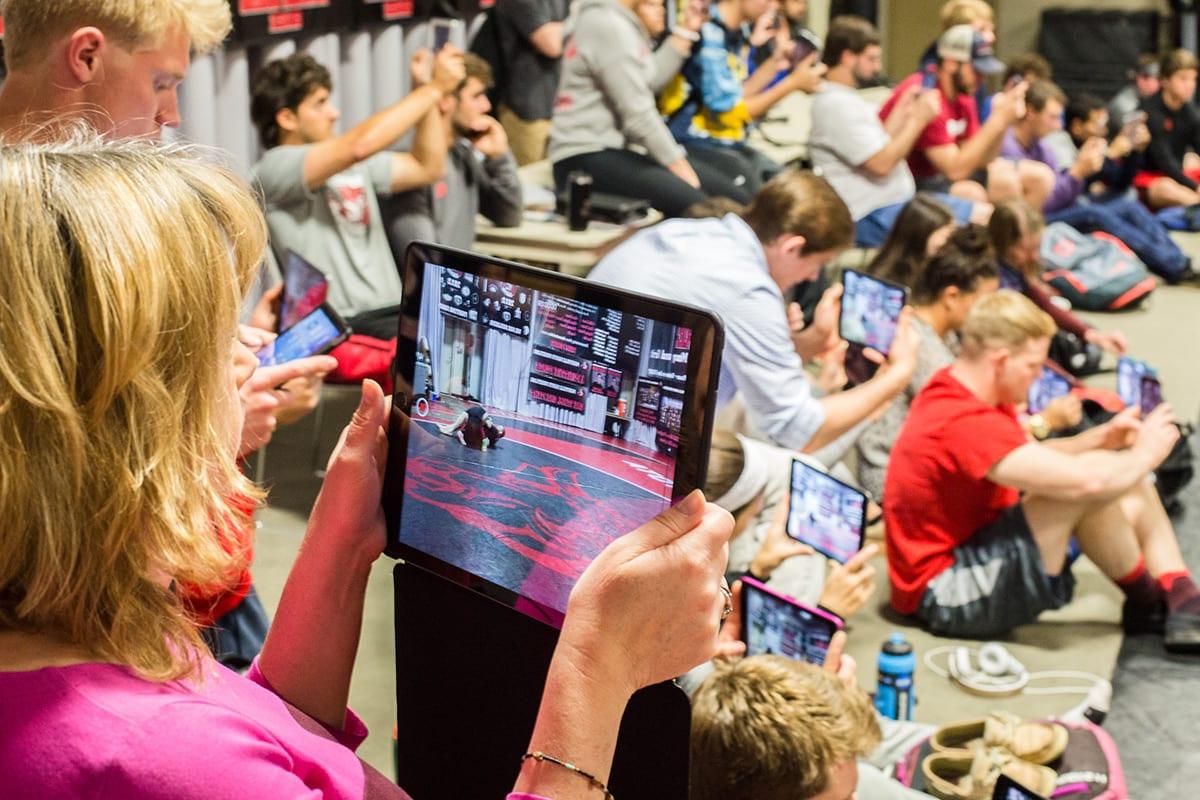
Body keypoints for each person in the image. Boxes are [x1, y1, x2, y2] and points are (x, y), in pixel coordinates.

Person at [0, 133, 737, 798]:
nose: (248, 359)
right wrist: (596, 668)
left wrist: (342, 541)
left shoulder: (76, 623)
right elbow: (219, 761)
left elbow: (270, 730)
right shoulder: (167, 762)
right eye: (214, 345)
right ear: (130, 428)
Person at [0, 0, 338, 669]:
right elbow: (59, 505)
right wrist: (219, 432)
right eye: (162, 83)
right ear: (87, 56)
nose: (172, 115)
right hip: (105, 636)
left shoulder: (90, 223)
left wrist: (209, 366)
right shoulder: (40, 238)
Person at [884, 289, 1200, 652]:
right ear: (1001, 360)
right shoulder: (963, 420)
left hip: (971, 552)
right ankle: (1156, 602)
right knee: (1097, 481)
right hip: (944, 592)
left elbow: (1024, 456)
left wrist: (1099, 439)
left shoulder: (959, 388)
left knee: (1110, 475)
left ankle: (1172, 594)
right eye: (1033, 366)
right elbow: (1085, 481)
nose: (1036, 378)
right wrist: (1145, 456)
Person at [590, 170, 920, 458]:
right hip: (629, 438)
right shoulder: (747, 289)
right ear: (792, 246)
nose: (810, 278)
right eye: (817, 266)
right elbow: (796, 431)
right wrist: (896, 378)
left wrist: (808, 342)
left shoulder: (686, 231)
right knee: (820, 448)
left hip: (599, 398)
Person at [250, 49, 463, 386]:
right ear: (288, 119)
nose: (334, 113)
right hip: (344, 324)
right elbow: (359, 145)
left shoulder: (351, 166)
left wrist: (425, 94)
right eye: (319, 103)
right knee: (441, 363)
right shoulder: (273, 168)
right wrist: (432, 90)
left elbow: (428, 166)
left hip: (392, 315)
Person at [548, 0, 746, 216]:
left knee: (739, 201)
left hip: (617, 151)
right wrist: (679, 167)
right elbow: (638, 116)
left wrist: (687, 31)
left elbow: (649, 80)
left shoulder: (619, 22)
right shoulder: (605, 23)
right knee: (708, 211)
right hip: (584, 155)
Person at [809, 16, 985, 249]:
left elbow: (878, 145)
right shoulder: (834, 105)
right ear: (848, 57)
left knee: (982, 212)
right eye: (871, 59)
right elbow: (881, 164)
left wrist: (903, 112)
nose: (877, 67)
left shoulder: (847, 98)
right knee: (980, 219)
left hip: (893, 204)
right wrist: (918, 121)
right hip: (870, 214)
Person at [857, 225, 999, 501]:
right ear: (952, 296)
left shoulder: (943, 334)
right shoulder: (919, 344)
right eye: (984, 301)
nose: (988, 311)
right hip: (890, 480)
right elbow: (965, 426)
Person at [1001, 80, 1190, 282]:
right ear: (1030, 112)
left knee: (1126, 204)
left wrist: (1134, 152)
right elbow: (1043, 204)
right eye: (1053, 117)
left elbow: (1117, 181)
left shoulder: (1041, 146)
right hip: (1036, 220)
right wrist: (1079, 173)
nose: (1058, 125)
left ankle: (1180, 260)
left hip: (1069, 205)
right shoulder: (1014, 147)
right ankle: (1172, 265)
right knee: (1095, 214)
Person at [659, 0, 826, 194]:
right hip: (691, 143)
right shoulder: (709, 31)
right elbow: (730, 112)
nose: (774, 7)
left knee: (794, 186)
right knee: (766, 200)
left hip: (726, 143)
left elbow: (738, 92)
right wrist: (792, 84)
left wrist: (776, 63)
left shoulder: (737, 33)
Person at [880, 25, 1051, 210]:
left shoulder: (963, 96)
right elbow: (954, 170)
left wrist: (1004, 121)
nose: (982, 78)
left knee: (1038, 176)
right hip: (913, 181)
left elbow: (983, 160)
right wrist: (998, 119)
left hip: (943, 176)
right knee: (972, 193)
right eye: (976, 70)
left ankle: (1024, 237)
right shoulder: (926, 96)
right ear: (951, 63)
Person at [383, 52, 523, 259]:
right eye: (477, 96)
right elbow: (423, 261)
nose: (486, 106)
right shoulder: (410, 167)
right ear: (445, 101)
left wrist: (499, 158)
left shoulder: (462, 155)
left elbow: (509, 215)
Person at [988, 200, 1128, 357]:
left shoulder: (1015, 264)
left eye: (1037, 247)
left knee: (1083, 332)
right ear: (1002, 243)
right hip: (1003, 340)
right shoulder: (991, 279)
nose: (1034, 255)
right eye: (1026, 249)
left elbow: (1042, 301)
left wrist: (1090, 333)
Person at [491, 0, 566, 165]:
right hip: (528, 112)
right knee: (531, 182)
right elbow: (551, 43)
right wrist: (585, 20)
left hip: (561, 108)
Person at [1135, 49, 1200, 209]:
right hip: (1152, 179)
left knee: (1193, 160)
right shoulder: (1151, 111)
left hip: (1179, 175)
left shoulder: (1189, 112)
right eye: (1183, 79)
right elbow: (1164, 161)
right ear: (1164, 80)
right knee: (1165, 188)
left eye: (1193, 79)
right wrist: (1194, 186)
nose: (1190, 85)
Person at [1065, 91, 1148, 200]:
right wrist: (1109, 154)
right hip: (1070, 206)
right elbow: (1070, 187)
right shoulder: (1063, 146)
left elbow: (1120, 183)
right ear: (1077, 126)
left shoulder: (1097, 145)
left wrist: (1136, 151)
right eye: (1099, 125)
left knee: (1129, 194)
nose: (1105, 131)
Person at [866, 193, 957, 288]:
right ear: (921, 236)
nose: (952, 243)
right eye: (947, 237)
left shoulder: (937, 268)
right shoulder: (889, 283)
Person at [1108, 54, 1160, 140]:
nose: (1160, 84)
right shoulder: (1124, 103)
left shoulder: (1149, 99)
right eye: (1156, 79)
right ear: (1141, 79)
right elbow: (1130, 135)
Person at [439, 402, 508, 450]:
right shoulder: (493, 435)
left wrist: (488, 418)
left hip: (474, 425)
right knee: (461, 421)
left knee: (464, 418)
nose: (498, 426)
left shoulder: (495, 432)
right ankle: (449, 429)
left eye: (500, 427)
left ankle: (450, 429)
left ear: (500, 433)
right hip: (473, 428)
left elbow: (487, 423)